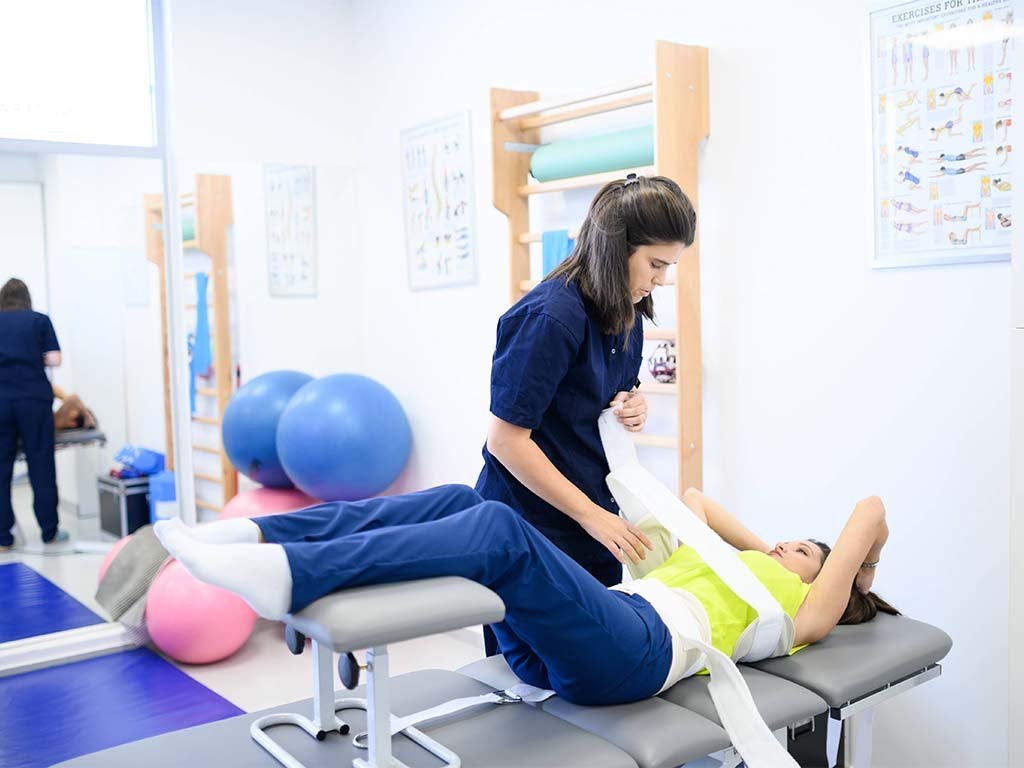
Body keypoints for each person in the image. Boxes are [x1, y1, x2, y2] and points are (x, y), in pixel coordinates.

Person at [153, 484, 896, 708]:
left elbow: (868, 511)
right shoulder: (748, 568)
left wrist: (856, 573)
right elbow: (697, 501)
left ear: (827, 579)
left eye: (802, 549)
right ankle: (261, 538)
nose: (781, 547)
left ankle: (294, 574)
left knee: (498, 531)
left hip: (635, 656)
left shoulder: (803, 617)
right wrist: (764, 546)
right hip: (576, 647)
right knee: (455, 497)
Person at [473, 171, 696, 662]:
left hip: (590, 517)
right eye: (656, 264)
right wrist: (593, 517)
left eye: (669, 266)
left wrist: (630, 402)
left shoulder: (628, 307)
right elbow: (506, 442)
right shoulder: (550, 318)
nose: (662, 279)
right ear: (617, 249)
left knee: (589, 664)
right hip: (529, 522)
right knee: (527, 678)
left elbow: (603, 391)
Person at [0, 278, 67, 550]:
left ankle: (3, 538)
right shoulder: (39, 320)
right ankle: (49, 532)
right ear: (26, 298)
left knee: (1, 470)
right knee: (41, 465)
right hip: (34, 401)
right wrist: (32, 356)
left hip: (1, 402)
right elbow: (55, 359)